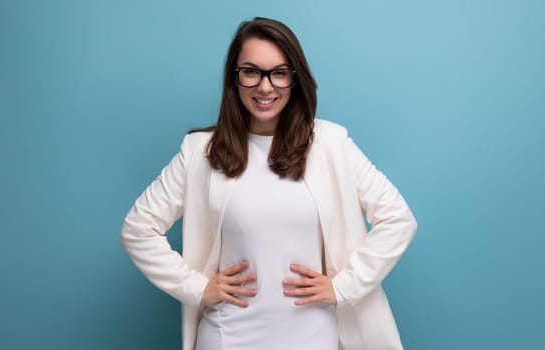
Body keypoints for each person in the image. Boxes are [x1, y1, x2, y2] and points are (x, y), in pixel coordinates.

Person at [120, 17, 417, 350]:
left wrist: (344, 287)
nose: (265, 87)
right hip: (226, 337)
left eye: (279, 72)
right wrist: (197, 288)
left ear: (295, 79)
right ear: (234, 79)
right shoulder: (201, 153)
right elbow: (138, 229)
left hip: (314, 338)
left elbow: (398, 219)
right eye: (251, 71)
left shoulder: (332, 144)